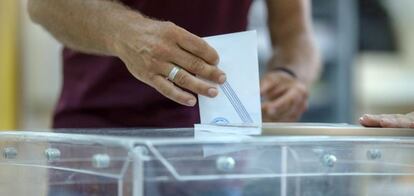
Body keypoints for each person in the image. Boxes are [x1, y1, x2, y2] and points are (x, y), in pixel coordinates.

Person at [28, 0, 320, 129]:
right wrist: (124, 33)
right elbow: (44, 4)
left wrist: (290, 74)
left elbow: (297, 35)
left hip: (215, 147)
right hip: (98, 137)